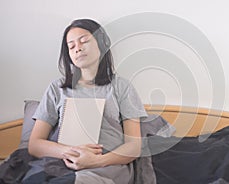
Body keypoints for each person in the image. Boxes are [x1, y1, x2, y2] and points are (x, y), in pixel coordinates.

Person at [25, 19, 147, 183]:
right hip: (60, 163)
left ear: (101, 44)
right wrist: (71, 152)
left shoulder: (122, 87)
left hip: (106, 166)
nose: (78, 49)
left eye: (84, 41)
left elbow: (134, 146)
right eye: (71, 46)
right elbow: (35, 145)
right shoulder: (57, 89)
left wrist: (97, 160)